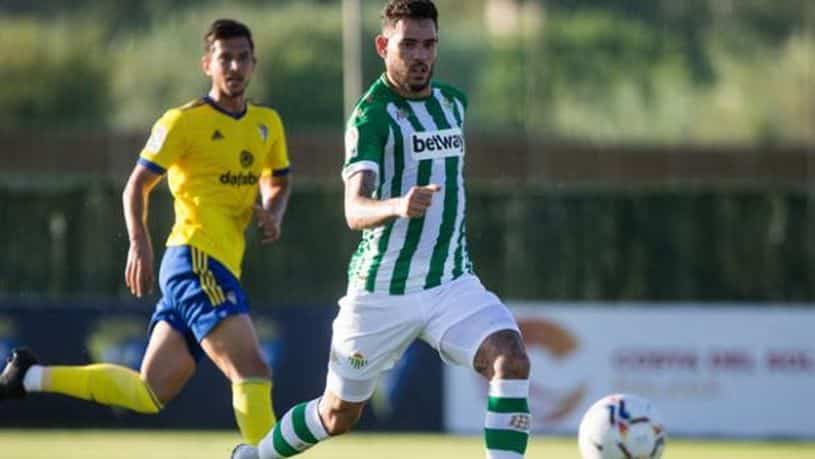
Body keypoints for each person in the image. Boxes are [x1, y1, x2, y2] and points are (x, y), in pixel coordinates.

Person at [232, 1, 531, 458]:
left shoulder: (453, 103)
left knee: (510, 358)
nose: (420, 55)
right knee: (338, 415)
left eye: (429, 44)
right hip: (380, 293)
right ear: (382, 45)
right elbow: (354, 209)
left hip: (451, 283)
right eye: (408, 44)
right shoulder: (372, 117)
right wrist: (398, 205)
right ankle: (254, 456)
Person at [0, 19, 291, 447]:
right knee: (252, 370)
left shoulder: (267, 123)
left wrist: (272, 211)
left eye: (242, 57)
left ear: (253, 64)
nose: (234, 66)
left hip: (217, 265)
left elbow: (279, 178)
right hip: (194, 259)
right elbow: (137, 184)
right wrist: (139, 242)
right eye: (224, 57)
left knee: (150, 391)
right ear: (207, 64)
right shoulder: (182, 122)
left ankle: (29, 376)